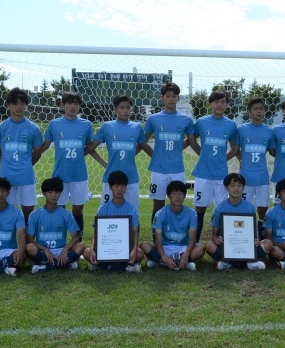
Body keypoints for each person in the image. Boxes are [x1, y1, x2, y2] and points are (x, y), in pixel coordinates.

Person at [39, 91, 103, 240]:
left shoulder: (86, 125)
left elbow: (90, 147)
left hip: (79, 175)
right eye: (69, 103)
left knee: (78, 210)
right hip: (59, 176)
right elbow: (45, 145)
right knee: (59, 210)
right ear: (63, 105)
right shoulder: (54, 124)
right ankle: (60, 242)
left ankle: (77, 245)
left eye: (76, 103)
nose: (72, 106)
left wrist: (105, 163)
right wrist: (31, 157)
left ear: (80, 106)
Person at [188, 90, 239, 243]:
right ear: (210, 103)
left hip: (221, 175)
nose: (220, 105)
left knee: (222, 210)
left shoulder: (231, 125)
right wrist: (201, 153)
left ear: (226, 105)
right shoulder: (202, 122)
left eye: (223, 102)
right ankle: (196, 243)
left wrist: (224, 159)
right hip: (203, 174)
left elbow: (235, 148)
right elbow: (192, 139)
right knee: (200, 209)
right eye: (217, 102)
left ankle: (224, 243)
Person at [86, 95, 153, 209]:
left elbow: (144, 146)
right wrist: (104, 164)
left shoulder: (136, 127)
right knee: (106, 212)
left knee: (132, 213)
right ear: (115, 109)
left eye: (128, 107)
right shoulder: (106, 126)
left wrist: (158, 158)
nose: (125, 111)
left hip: (131, 177)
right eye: (122, 107)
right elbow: (91, 148)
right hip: (111, 177)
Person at [143, 82, 195, 227]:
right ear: (162, 98)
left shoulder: (186, 120)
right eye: (168, 96)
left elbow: (191, 141)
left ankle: (175, 234)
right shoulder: (154, 119)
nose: (171, 99)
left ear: (178, 98)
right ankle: (156, 235)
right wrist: (154, 155)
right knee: (158, 205)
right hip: (158, 170)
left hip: (177, 169)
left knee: (177, 204)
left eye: (174, 96)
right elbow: (143, 141)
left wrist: (178, 148)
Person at [0, 88, 44, 225]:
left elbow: (38, 152)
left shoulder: (34, 129)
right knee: (5, 215)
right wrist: (6, 164)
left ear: (26, 105)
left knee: (28, 217)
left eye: (22, 104)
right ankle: (8, 244)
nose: (19, 107)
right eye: (15, 103)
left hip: (26, 178)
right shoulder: (0, 128)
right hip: (5, 178)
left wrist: (26, 164)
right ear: (8, 105)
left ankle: (27, 243)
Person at [204, 173, 271, 271]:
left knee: (268, 243)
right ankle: (248, 264)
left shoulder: (250, 207)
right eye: (232, 185)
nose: (236, 189)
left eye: (239, 185)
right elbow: (214, 234)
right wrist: (217, 239)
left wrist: (255, 240)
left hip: (245, 246)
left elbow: (252, 231)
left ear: (243, 188)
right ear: (226, 187)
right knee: (209, 245)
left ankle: (227, 263)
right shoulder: (219, 208)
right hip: (226, 246)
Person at [84, 170, 144, 273]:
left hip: (124, 247)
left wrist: (134, 249)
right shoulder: (103, 209)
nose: (119, 189)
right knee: (86, 252)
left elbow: (134, 232)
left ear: (126, 187)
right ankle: (126, 267)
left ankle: (103, 265)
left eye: (122, 186)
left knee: (140, 253)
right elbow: (96, 232)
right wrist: (93, 249)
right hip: (106, 247)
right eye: (116, 186)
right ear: (110, 187)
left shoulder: (132, 209)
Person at [139, 180, 205, 271]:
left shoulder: (191, 213)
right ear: (168, 195)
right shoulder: (160, 213)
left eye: (181, 193)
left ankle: (164, 262)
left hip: (183, 247)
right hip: (165, 247)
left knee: (200, 249)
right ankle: (172, 262)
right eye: (174, 193)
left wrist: (186, 254)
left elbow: (193, 238)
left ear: (185, 196)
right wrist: (164, 257)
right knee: (144, 245)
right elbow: (158, 240)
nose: (178, 197)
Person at [25, 177, 85, 273]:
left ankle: (46, 267)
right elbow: (30, 239)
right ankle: (66, 264)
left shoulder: (66, 214)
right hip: (43, 251)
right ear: (44, 194)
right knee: (29, 248)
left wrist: (65, 249)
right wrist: (45, 249)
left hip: (61, 249)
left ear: (60, 193)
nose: (53, 195)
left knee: (81, 246)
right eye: (50, 192)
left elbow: (76, 238)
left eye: (56, 192)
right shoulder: (35, 214)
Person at [236, 97, 274, 239]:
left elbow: (272, 150)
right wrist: (241, 159)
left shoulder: (269, 131)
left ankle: (261, 234)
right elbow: (236, 148)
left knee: (263, 207)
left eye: (261, 108)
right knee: (245, 208)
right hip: (245, 176)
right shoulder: (242, 129)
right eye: (255, 108)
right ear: (249, 111)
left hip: (262, 176)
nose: (259, 111)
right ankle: (244, 236)